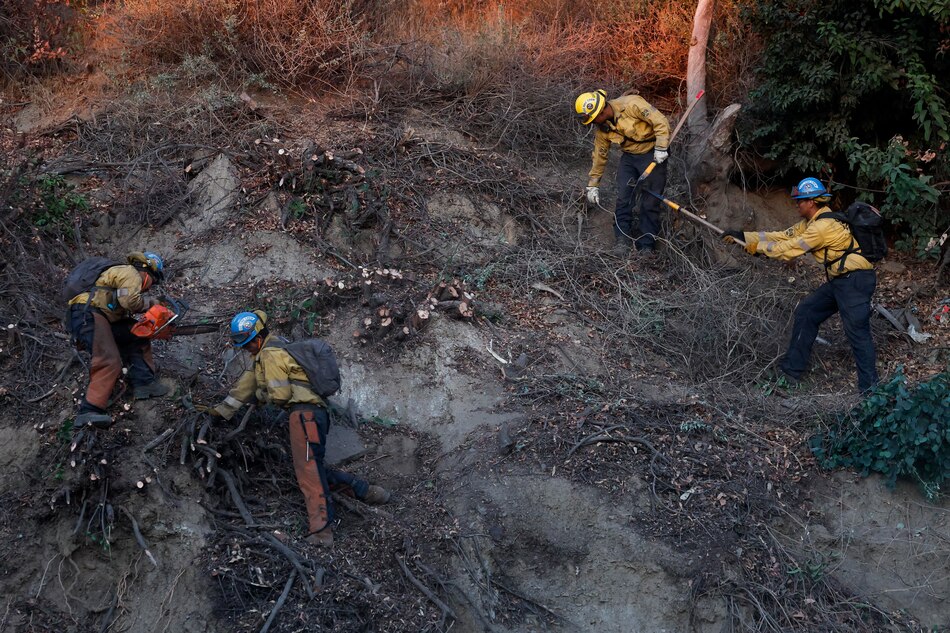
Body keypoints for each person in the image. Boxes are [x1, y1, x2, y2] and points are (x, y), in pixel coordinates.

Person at [206, 310, 390, 547]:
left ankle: (321, 531)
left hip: (303, 416)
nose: (247, 348)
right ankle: (366, 491)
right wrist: (220, 411)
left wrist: (261, 397)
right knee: (314, 467)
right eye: (244, 345)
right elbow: (243, 388)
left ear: (259, 336)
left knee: (309, 473)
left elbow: (280, 394)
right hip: (315, 415)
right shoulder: (271, 352)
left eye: (249, 342)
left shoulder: (270, 355)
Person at [722, 177, 879, 393]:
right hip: (841, 281)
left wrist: (758, 248)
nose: (797, 205)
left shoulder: (822, 227)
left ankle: (871, 394)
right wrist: (745, 236)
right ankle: (791, 372)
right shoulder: (812, 222)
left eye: (800, 201)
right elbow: (781, 236)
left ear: (812, 202)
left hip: (855, 282)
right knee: (807, 312)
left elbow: (789, 249)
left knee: (858, 335)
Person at [66, 252, 170, 429]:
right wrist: (152, 303)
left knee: (137, 334)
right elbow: (130, 301)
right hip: (89, 314)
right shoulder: (130, 273)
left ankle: (144, 382)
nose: (149, 287)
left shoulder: (122, 276)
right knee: (109, 360)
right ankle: (89, 411)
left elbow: (122, 303)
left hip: (102, 316)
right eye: (153, 281)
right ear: (148, 272)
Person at [574, 89, 671, 256]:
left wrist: (661, 147)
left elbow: (660, 122)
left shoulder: (632, 104)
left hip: (653, 154)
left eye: (593, 119)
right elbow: (600, 155)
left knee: (651, 201)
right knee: (623, 198)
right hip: (629, 158)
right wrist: (593, 185)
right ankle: (622, 240)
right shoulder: (602, 128)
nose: (592, 123)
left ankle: (646, 245)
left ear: (601, 111)